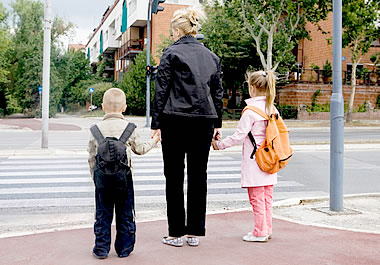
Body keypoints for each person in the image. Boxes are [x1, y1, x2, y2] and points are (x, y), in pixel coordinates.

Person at [150, 7, 224, 247]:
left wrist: (156, 123)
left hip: (175, 120)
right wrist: (217, 124)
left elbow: (161, 91)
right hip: (204, 121)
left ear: (177, 30)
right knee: (198, 176)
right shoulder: (212, 57)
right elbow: (217, 94)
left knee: (173, 176)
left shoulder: (171, 53)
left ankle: (175, 233)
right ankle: (194, 232)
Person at [88, 88, 160, 258]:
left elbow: (91, 157)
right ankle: (124, 249)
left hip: (103, 181)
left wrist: (95, 178)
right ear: (125, 107)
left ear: (104, 107)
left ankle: (101, 248)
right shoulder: (129, 128)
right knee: (125, 214)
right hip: (124, 181)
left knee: (102, 214)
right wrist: (154, 140)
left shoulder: (95, 129)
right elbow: (140, 149)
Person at [212, 70, 277, 243]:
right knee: (267, 198)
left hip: (255, 160)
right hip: (270, 159)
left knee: (256, 198)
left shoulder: (250, 111)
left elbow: (239, 136)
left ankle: (259, 232)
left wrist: (219, 144)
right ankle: (267, 228)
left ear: (252, 87)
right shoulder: (272, 107)